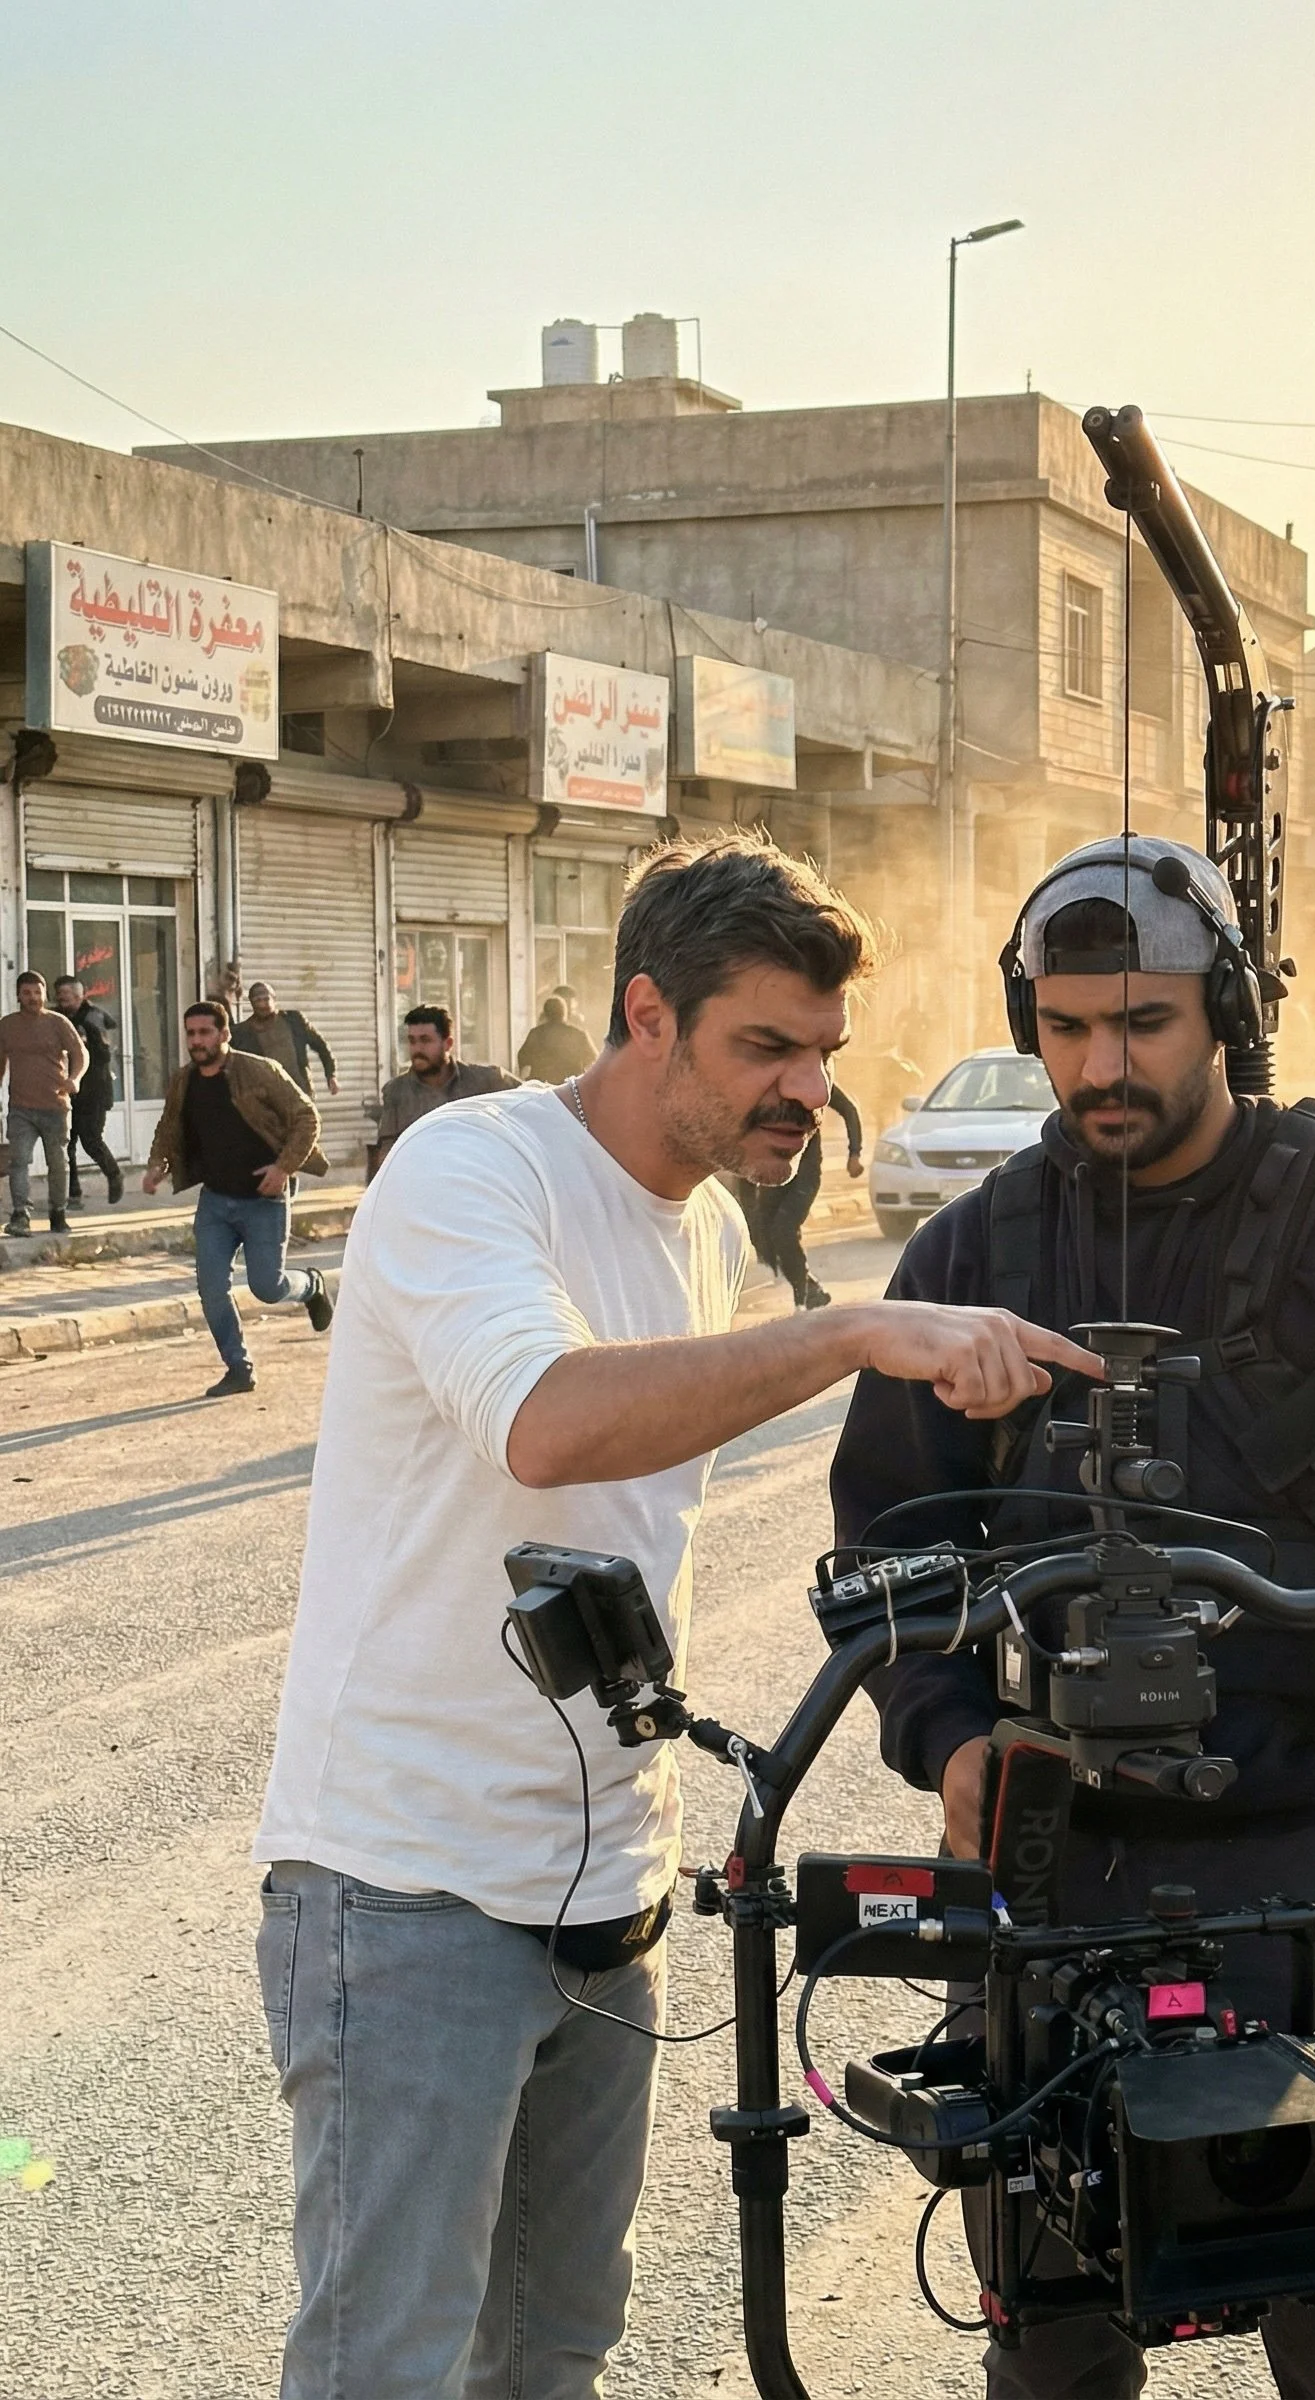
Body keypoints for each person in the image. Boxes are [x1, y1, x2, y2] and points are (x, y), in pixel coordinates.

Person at [249, 829, 1095, 2400]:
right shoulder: (474, 1169)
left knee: (555, 2357)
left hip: (603, 1899)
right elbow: (549, 1422)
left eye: (824, 1052)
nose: (808, 1090)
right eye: (766, 1047)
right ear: (648, 1014)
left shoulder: (701, 1223)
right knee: (388, 2370)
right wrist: (851, 1333)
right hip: (409, 1892)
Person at [830, 834, 1315, 2400]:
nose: (1100, 1066)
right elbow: (888, 1551)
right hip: (1049, 1869)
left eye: (1145, 1024)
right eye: (1065, 1028)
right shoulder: (971, 1252)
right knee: (1049, 2340)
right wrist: (951, 1740)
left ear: (1228, 1016)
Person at [142, 1002, 335, 1398]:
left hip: (263, 1200)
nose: (197, 1041)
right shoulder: (184, 1081)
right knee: (212, 1288)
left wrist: (283, 1167)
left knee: (268, 1287)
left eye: (205, 1033)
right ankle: (238, 1367)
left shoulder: (260, 1071)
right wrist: (158, 1164)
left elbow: (306, 1117)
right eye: (191, 1034)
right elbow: (169, 1126)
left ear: (224, 1034)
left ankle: (311, 1285)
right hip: (215, 1202)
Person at [740, 1082, 863, 1307]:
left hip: (804, 1175)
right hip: (772, 1175)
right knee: (761, 1233)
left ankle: (802, 1298)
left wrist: (854, 1153)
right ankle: (810, 1288)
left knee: (784, 1230)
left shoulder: (808, 1082)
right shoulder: (763, 1083)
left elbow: (849, 1109)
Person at [370, 1006, 519, 1171]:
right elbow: (387, 1152)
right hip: (426, 1178)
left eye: (425, 1040)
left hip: (479, 1175)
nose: (417, 1049)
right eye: (412, 1041)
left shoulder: (486, 1080)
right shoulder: (396, 1091)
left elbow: (532, 1099)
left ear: (448, 1044)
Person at [0, 971, 87, 1237]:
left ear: (45, 994)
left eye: (37, 992)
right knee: (19, 1161)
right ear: (18, 995)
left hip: (55, 1106)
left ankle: (58, 1214)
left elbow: (80, 1053)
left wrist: (74, 1079)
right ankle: (20, 1215)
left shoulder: (57, 1022)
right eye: (27, 993)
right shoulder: (7, 1026)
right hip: (21, 1108)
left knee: (57, 1163)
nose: (33, 998)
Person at [53, 975, 125, 1210]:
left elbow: (103, 1054)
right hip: (69, 1090)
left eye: (66, 995)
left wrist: (84, 1042)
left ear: (79, 996)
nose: (61, 1000)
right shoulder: (58, 1018)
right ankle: (73, 1194)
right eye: (59, 995)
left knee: (91, 1139)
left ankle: (114, 1174)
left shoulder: (93, 1017)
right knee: (67, 1144)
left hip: (95, 1090)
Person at [233, 982, 340, 1099]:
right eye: (258, 1000)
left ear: (274, 999)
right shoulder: (243, 1032)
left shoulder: (294, 1020)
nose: (263, 1004)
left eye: (266, 998)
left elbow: (321, 1046)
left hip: (301, 1092)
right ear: (252, 1003)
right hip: (269, 1099)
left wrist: (331, 1075)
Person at [517, 992, 598, 1085]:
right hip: (569, 1087)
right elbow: (592, 1058)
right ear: (564, 1012)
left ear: (545, 1013)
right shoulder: (578, 1034)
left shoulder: (536, 1034)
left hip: (542, 1086)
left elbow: (522, 1057)